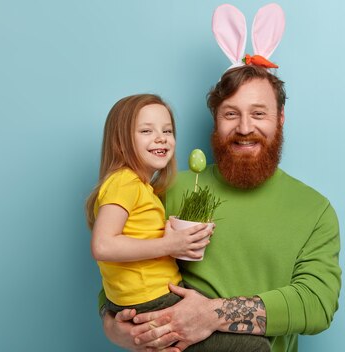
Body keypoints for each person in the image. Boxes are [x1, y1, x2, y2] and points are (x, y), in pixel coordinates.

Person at [99, 66, 342, 352]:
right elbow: (124, 271)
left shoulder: (314, 210)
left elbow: (316, 303)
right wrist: (113, 327)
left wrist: (213, 315)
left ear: (281, 118)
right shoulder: (168, 189)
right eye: (230, 113)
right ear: (216, 120)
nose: (244, 128)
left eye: (259, 113)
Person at [87, 93, 272, 351]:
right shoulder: (124, 182)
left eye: (167, 130)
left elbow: (135, 236)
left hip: (154, 295)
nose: (161, 137)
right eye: (146, 131)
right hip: (151, 300)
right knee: (256, 346)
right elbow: (103, 246)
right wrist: (169, 244)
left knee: (222, 312)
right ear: (121, 142)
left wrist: (169, 230)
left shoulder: (142, 188)